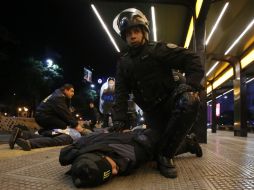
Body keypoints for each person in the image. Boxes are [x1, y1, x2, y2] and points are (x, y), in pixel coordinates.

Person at [110, 8, 204, 178]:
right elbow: (121, 94)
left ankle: (166, 157)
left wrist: (191, 85)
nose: (132, 36)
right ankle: (188, 143)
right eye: (128, 33)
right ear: (124, 37)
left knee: (190, 99)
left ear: (144, 32)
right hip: (152, 115)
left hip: (171, 105)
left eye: (136, 31)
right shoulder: (123, 64)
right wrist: (119, 121)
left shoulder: (157, 49)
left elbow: (191, 59)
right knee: (149, 149)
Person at [59, 128, 202, 188]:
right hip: (129, 137)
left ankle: (190, 143)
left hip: (143, 139)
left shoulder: (129, 154)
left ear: (103, 156)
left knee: (161, 152)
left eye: (111, 169)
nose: (115, 172)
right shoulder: (82, 149)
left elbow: (149, 146)